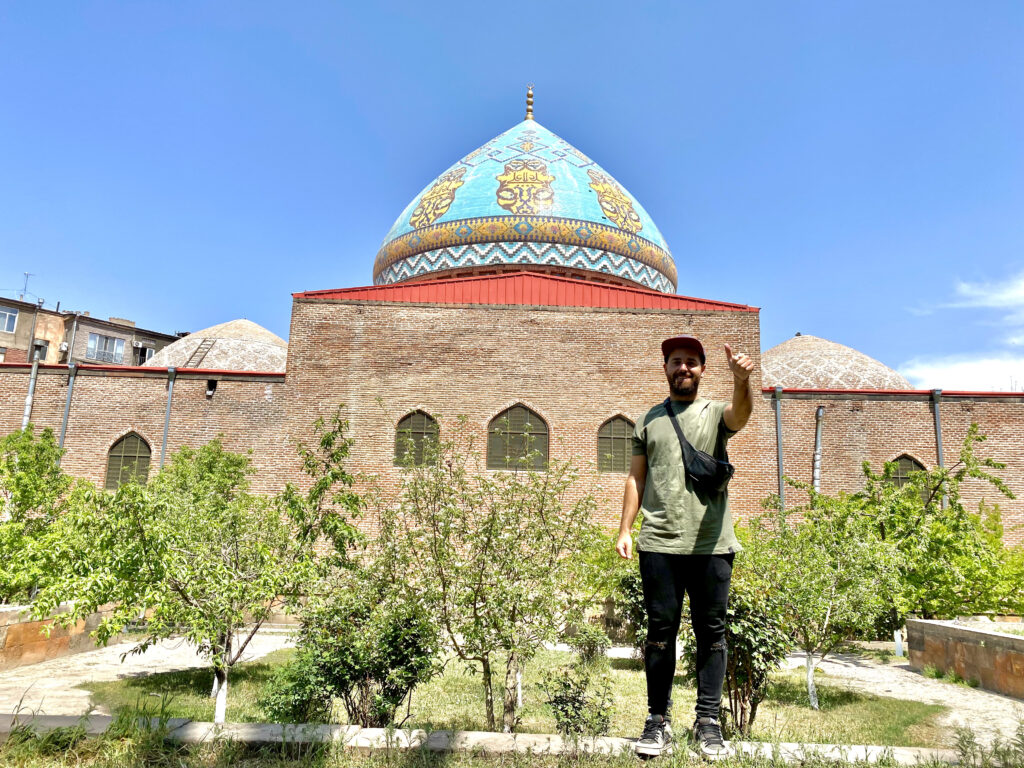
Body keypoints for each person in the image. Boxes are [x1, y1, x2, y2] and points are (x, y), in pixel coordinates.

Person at [616, 335, 754, 759]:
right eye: (676, 361)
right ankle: (657, 721)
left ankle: (708, 723)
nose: (684, 368)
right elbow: (635, 479)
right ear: (666, 367)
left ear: (702, 369)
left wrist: (741, 382)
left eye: (692, 362)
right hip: (659, 542)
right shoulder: (649, 420)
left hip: (712, 544)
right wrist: (625, 529)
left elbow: (741, 415)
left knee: (712, 633)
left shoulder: (714, 413)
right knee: (660, 634)